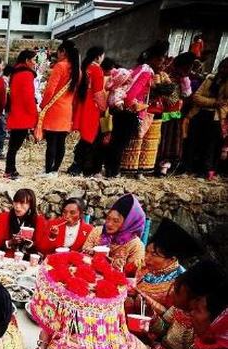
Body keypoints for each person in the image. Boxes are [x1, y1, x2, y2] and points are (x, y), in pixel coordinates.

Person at [126, 218, 203, 315]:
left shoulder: (180, 282)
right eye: (147, 251)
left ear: (172, 259)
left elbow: (171, 316)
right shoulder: (144, 266)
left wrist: (143, 297)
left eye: (154, 254)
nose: (146, 257)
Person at [120, 41, 171, 177]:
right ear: (152, 59)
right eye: (160, 60)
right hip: (143, 109)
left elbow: (172, 95)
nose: (162, 63)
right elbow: (134, 93)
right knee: (137, 141)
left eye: (164, 60)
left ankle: (142, 170)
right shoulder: (146, 71)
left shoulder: (162, 75)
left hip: (154, 110)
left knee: (148, 144)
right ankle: (129, 169)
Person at [37, 40, 80, 177]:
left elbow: (50, 89)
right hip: (67, 109)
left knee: (51, 142)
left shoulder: (60, 66)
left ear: (63, 52)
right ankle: (55, 170)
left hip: (55, 108)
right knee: (61, 142)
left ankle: (48, 170)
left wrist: (43, 104)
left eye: (59, 52)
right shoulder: (77, 70)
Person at [83, 193, 146, 275]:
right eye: (108, 218)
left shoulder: (136, 246)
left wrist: (120, 266)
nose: (109, 224)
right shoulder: (98, 231)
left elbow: (134, 274)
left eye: (116, 221)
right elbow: (84, 253)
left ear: (129, 223)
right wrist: (89, 252)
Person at [186, 57, 227, 180]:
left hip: (216, 118)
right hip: (200, 114)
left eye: (226, 69)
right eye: (222, 68)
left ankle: (204, 171)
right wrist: (213, 102)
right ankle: (188, 168)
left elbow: (225, 103)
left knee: (209, 145)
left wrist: (219, 106)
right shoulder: (210, 80)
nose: (223, 71)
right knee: (193, 142)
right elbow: (196, 97)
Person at [157, 52, 195, 176]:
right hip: (170, 112)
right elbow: (187, 94)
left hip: (168, 112)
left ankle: (162, 167)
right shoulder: (179, 78)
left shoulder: (168, 74)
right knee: (168, 141)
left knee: (164, 140)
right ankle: (162, 168)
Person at [70, 46, 106, 176]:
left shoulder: (84, 68)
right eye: (102, 56)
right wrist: (104, 107)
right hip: (92, 108)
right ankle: (80, 166)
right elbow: (98, 93)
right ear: (98, 56)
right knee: (89, 138)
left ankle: (76, 165)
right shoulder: (97, 70)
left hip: (81, 105)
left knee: (84, 137)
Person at [5, 50, 38, 179]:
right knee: (15, 145)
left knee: (13, 145)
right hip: (24, 115)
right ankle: (9, 170)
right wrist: (34, 114)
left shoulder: (15, 73)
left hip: (16, 113)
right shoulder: (27, 74)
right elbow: (28, 97)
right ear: (27, 61)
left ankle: (10, 169)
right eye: (34, 60)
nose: (34, 63)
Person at [0, 188, 40, 257]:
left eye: (22, 203)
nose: (17, 206)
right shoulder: (4, 217)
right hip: (7, 258)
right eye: (15, 202)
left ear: (30, 205)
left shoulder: (37, 220)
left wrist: (29, 244)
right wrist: (10, 242)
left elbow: (41, 248)